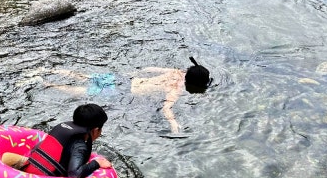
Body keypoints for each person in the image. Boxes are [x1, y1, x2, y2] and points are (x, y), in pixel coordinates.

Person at [24, 57, 212, 134]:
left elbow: (149, 69)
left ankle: (45, 70)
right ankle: (44, 82)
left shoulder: (176, 72)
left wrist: (139, 72)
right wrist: (173, 124)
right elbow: (166, 107)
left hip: (127, 80)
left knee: (84, 76)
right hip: (125, 91)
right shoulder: (177, 88)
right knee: (80, 91)